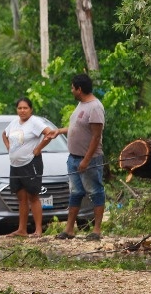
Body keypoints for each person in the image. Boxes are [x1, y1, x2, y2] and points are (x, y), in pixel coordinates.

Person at [43, 74, 106, 240]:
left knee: (95, 191)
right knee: (75, 192)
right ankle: (69, 229)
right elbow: (76, 127)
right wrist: (59, 131)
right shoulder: (81, 105)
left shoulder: (95, 107)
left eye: (72, 87)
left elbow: (96, 136)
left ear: (79, 89)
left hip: (89, 159)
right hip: (73, 158)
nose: (71, 90)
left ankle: (97, 230)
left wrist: (86, 160)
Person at [2, 97, 49, 237]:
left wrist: (38, 148)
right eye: (19, 108)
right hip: (15, 164)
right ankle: (22, 229)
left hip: (30, 163)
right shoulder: (14, 122)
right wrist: (8, 147)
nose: (22, 111)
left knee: (33, 196)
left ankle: (38, 229)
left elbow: (49, 134)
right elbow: (4, 134)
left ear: (31, 109)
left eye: (25, 108)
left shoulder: (35, 122)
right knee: (21, 197)